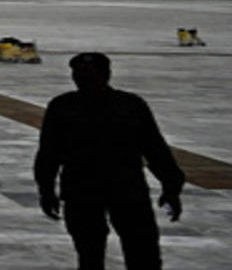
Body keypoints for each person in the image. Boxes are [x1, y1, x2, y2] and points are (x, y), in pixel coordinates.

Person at [35, 52, 184, 270]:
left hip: (126, 191)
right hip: (83, 192)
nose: (80, 77)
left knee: (143, 255)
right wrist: (46, 190)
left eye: (87, 72)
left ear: (106, 74)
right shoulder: (62, 106)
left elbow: (154, 148)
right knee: (89, 255)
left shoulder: (130, 105)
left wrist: (171, 186)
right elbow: (49, 152)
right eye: (77, 72)